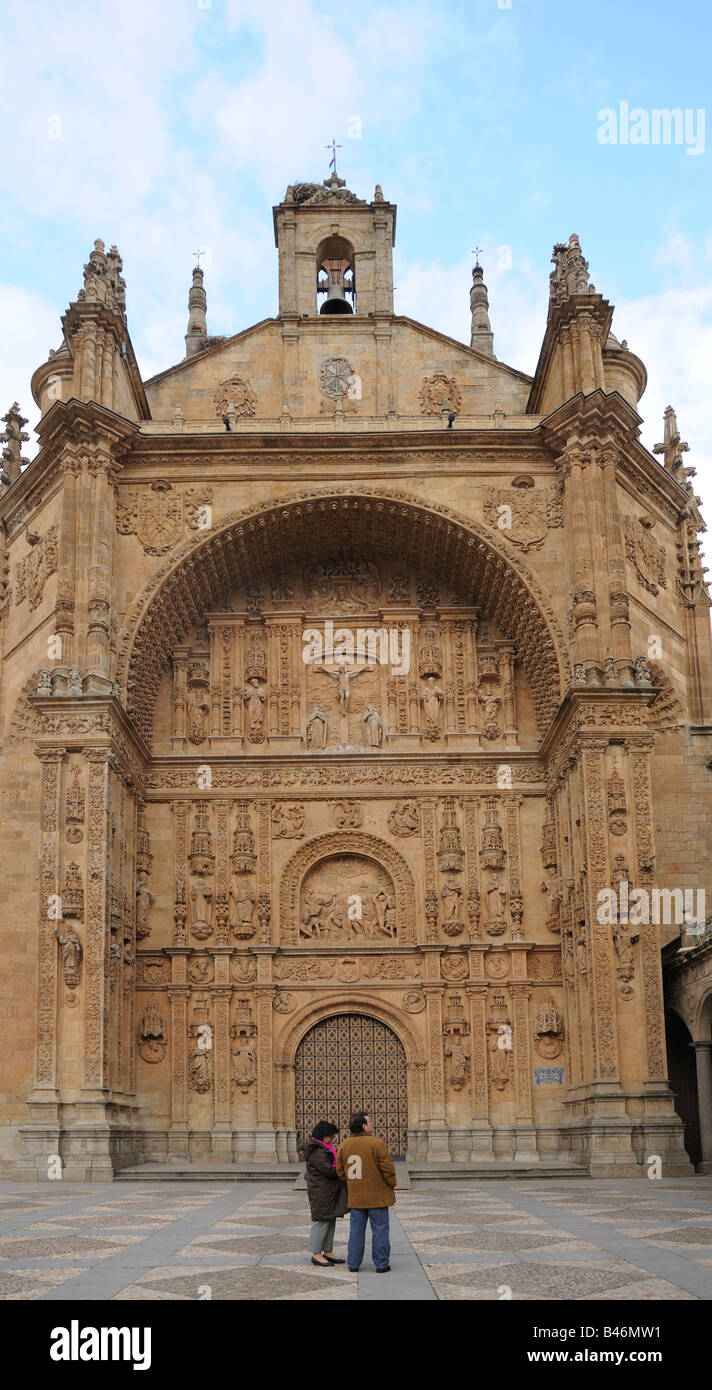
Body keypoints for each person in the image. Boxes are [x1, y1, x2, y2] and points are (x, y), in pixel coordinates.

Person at [336, 1111, 397, 1273]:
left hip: (356, 1196)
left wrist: (351, 1183)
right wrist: (392, 1183)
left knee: (355, 1231)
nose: (372, 1124)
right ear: (363, 1126)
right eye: (369, 1122)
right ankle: (381, 1264)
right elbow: (388, 1168)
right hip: (377, 1196)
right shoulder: (376, 1143)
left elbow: (340, 1171)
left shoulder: (344, 1145)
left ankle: (353, 1264)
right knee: (380, 1230)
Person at [300, 1120, 349, 1267]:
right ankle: (316, 1253)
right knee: (321, 1220)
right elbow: (328, 1170)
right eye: (331, 1136)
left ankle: (327, 1251)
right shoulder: (317, 1151)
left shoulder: (324, 1148)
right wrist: (344, 1166)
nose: (333, 1139)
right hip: (321, 1190)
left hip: (328, 1189)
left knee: (330, 1219)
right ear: (323, 1136)